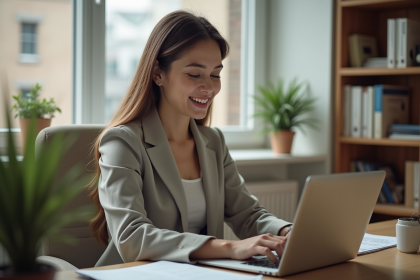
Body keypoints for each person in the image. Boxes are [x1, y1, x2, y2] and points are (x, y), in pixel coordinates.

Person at [88, 10, 292, 267]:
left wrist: (287, 232)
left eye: (216, 74)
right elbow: (132, 237)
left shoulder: (213, 142)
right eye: (195, 74)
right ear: (158, 73)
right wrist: (229, 247)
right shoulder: (122, 142)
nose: (209, 87)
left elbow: (247, 214)